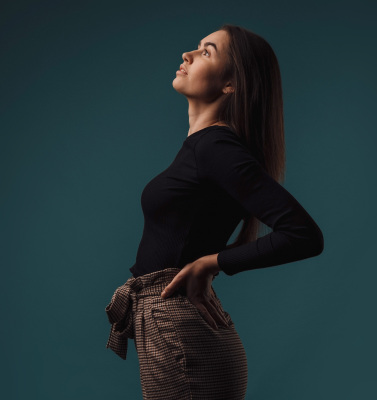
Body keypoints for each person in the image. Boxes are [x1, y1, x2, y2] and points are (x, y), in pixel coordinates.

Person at [104, 24, 324, 400]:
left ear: (230, 85)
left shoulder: (216, 148)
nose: (187, 55)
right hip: (172, 328)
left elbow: (304, 235)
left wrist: (210, 263)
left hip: (178, 333)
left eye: (207, 52)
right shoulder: (205, 147)